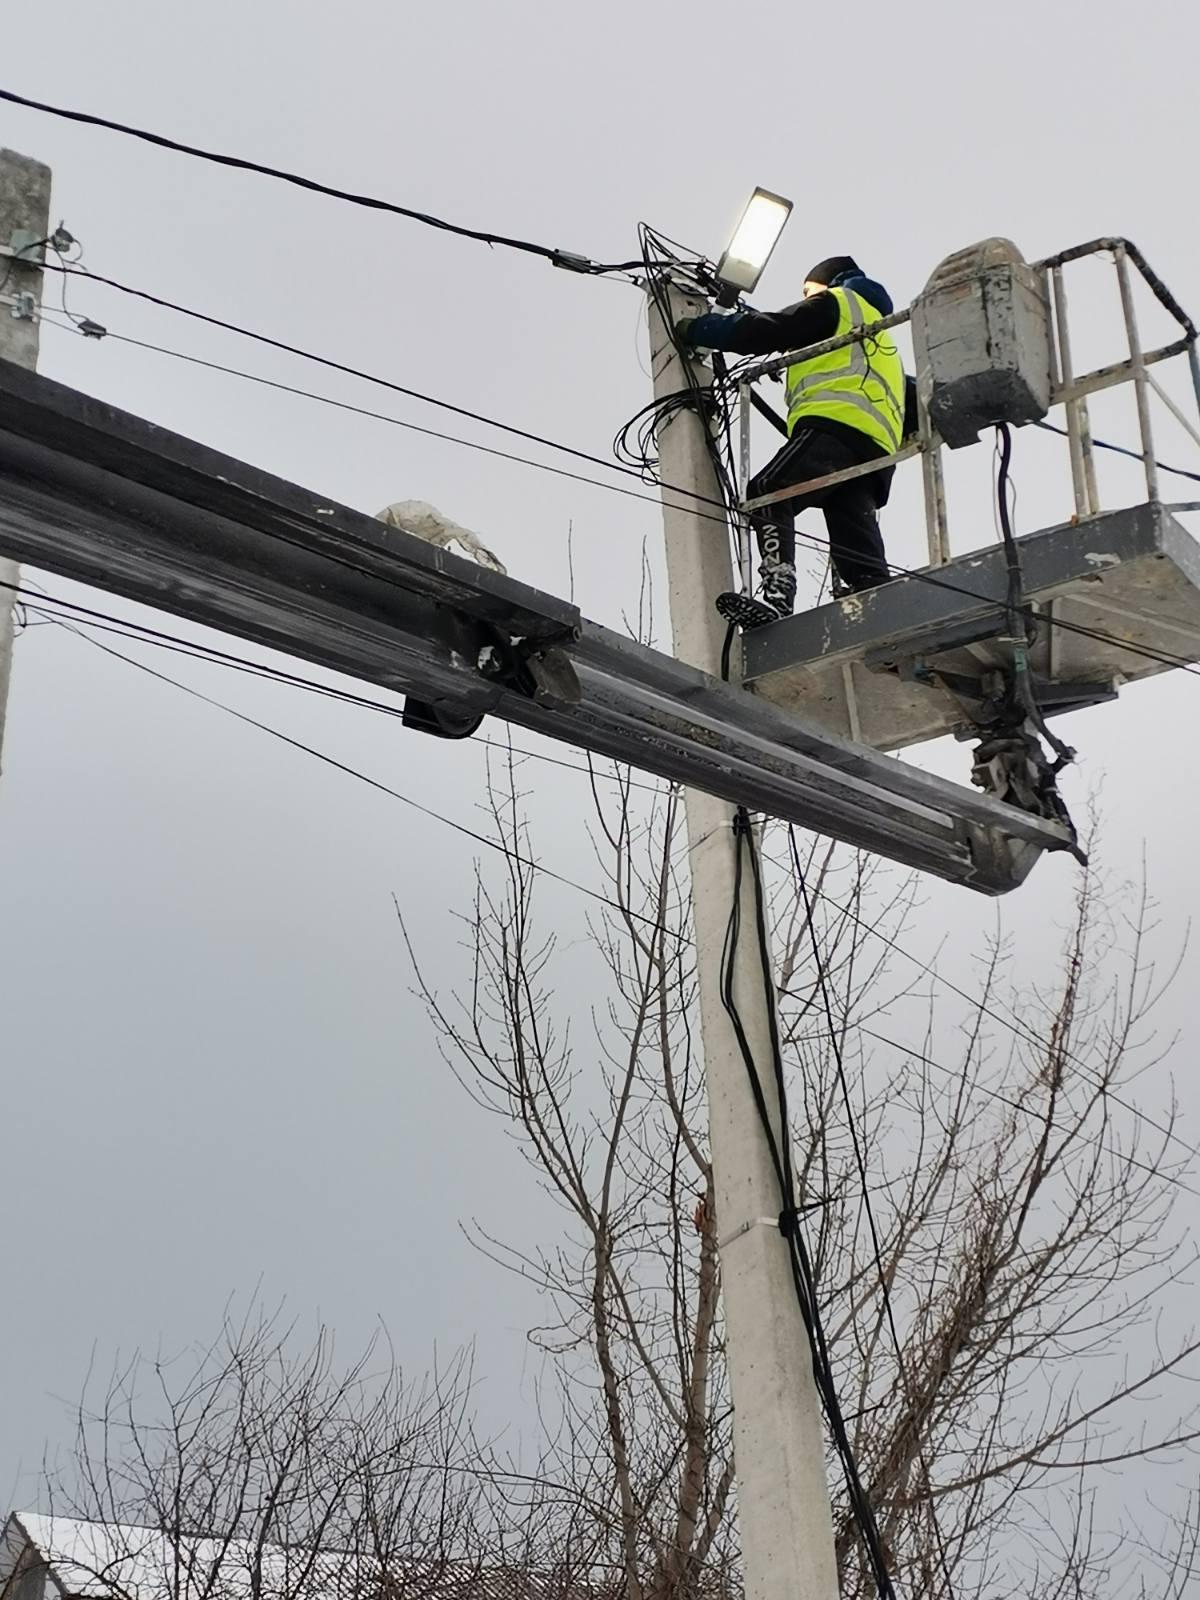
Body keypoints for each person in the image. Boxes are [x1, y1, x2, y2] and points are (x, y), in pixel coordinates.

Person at [676, 254, 906, 626]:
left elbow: (772, 328)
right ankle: (881, 608)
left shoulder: (836, 302)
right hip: (876, 450)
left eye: (807, 291)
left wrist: (701, 330)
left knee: (769, 491)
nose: (805, 297)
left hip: (835, 427)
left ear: (826, 283)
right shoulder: (881, 333)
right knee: (855, 539)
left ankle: (778, 596)